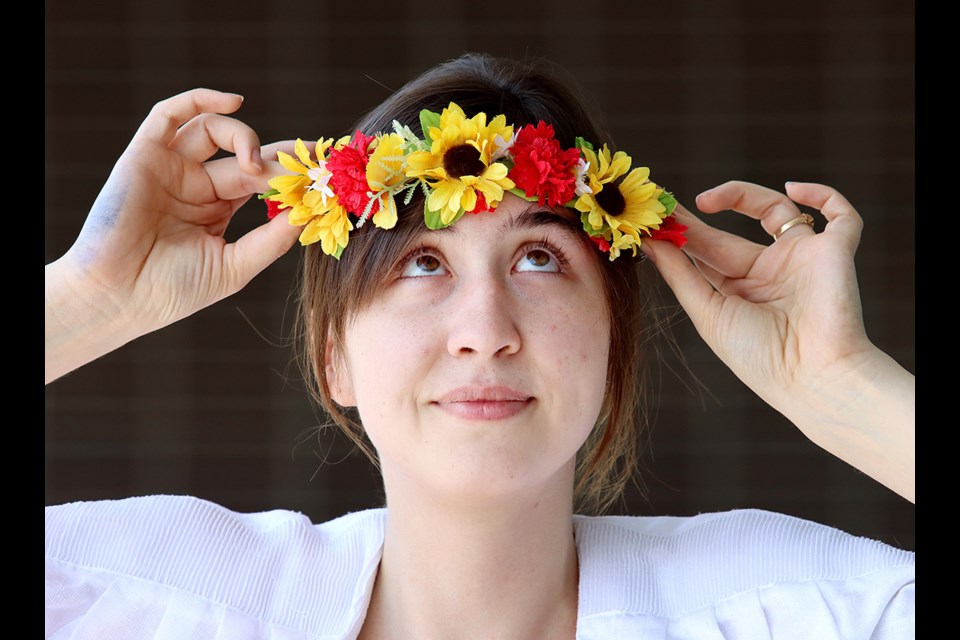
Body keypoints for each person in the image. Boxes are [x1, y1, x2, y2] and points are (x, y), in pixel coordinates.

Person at [45, 53, 914, 639]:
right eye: (423, 264)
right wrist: (85, 301)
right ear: (331, 354)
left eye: (539, 257)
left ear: (613, 340)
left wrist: (842, 387)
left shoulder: (796, 611)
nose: (486, 332)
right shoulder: (160, 600)